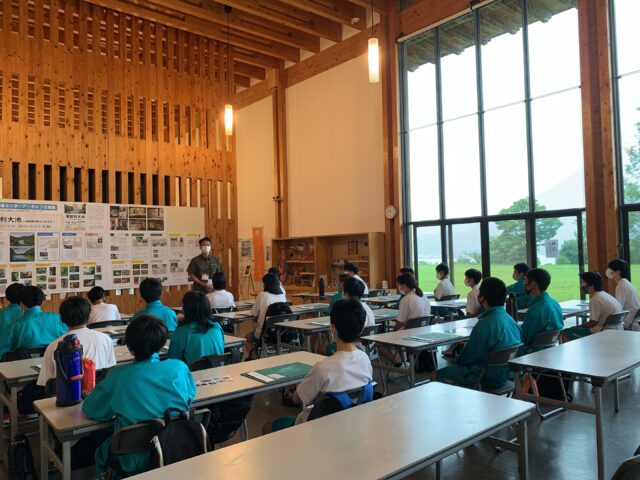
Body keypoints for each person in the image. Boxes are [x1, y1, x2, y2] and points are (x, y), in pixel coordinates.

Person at [82, 315, 196, 477]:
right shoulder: (179, 368)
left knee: (102, 448)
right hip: (176, 449)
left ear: (129, 346)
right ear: (163, 343)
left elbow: (91, 409)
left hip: (132, 461)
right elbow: (189, 398)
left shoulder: (118, 376)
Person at [262, 299, 372, 433]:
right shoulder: (365, 359)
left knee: (267, 427)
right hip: (353, 425)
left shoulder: (323, 368)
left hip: (318, 427)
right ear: (361, 329)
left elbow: (297, 399)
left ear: (332, 329)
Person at [434, 277, 522, 389]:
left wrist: (457, 359)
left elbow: (467, 358)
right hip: (506, 375)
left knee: (435, 375)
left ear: (482, 297)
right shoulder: (512, 321)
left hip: (483, 377)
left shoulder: (484, 325)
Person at [37, 296, 116, 386]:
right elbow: (110, 370)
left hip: (65, 393)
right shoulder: (105, 339)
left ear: (62, 319)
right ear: (89, 316)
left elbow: (45, 383)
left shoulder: (53, 346)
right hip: (99, 391)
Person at [0, 286, 68, 358]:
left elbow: (2, 349)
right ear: (42, 301)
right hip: (53, 360)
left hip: (23, 362)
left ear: (21, 303)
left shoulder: (16, 326)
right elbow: (67, 337)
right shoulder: (56, 319)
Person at [379, 273, 430, 365]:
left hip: (409, 334)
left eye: (399, 285)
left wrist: (392, 333)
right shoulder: (424, 297)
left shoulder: (406, 299)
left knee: (379, 342)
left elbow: (400, 323)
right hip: (423, 332)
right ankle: (404, 362)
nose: (399, 287)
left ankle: (399, 364)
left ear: (404, 285)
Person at [563, 272, 624, 341]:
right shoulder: (605, 295)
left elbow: (593, 322)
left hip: (602, 333)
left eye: (583, 282)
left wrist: (578, 327)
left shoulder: (595, 299)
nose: (581, 285)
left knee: (565, 332)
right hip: (616, 331)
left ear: (591, 285)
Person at [169, 291, 225, 366]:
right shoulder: (217, 326)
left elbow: (173, 362)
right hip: (218, 371)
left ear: (185, 309)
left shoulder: (181, 332)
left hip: (192, 373)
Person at [518, 268, 563, 355]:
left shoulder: (536, 309)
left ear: (533, 284)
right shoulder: (554, 303)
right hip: (550, 350)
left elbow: (523, 338)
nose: (524, 284)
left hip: (532, 352)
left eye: (525, 280)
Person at [245, 273, 287, 357]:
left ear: (266, 284)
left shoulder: (262, 295)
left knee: (246, 339)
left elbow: (254, 314)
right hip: (280, 332)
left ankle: (253, 358)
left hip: (264, 333)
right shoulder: (282, 296)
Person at [606, 258, 640, 330]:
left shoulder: (621, 285)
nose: (607, 271)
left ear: (618, 272)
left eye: (610, 269)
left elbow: (618, 308)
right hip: (634, 321)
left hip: (629, 323)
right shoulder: (625, 283)